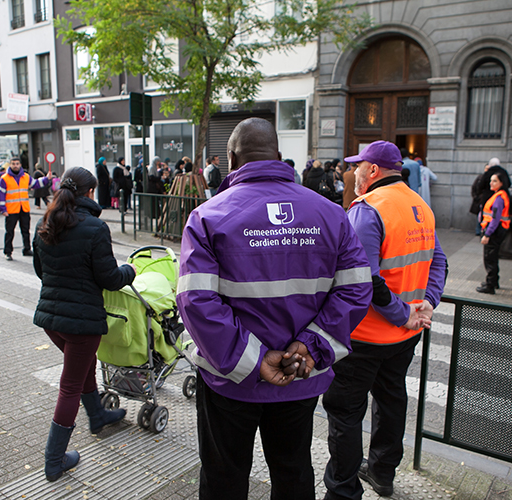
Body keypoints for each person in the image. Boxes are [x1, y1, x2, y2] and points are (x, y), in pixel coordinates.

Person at [176, 117, 372, 500]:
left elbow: (195, 300)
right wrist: (310, 349)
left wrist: (254, 360)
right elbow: (356, 290)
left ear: (232, 160)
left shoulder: (207, 217)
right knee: (293, 469)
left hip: (229, 380)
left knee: (223, 475)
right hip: (299, 377)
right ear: (279, 157)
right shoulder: (332, 214)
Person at [322, 140, 446, 500]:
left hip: (364, 337)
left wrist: (403, 312)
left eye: (358, 165)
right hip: (405, 336)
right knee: (391, 400)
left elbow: (364, 278)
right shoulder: (420, 205)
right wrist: (426, 306)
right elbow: (439, 261)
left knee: (345, 413)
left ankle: (343, 491)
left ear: (372, 170)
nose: (355, 172)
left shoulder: (368, 209)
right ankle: (382, 472)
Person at [32, 167, 136, 482]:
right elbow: (110, 279)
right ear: (90, 193)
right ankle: (54, 461)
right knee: (70, 386)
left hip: (52, 321)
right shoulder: (94, 228)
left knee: (83, 368)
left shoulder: (45, 223)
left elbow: (41, 271)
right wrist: (130, 270)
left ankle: (98, 415)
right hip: (82, 324)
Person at [0, 157, 52, 261]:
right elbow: (1, 193)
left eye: (17, 164)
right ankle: (8, 252)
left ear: (20, 165)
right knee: (9, 232)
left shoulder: (25, 177)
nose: (15, 165)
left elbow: (35, 184)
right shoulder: (4, 178)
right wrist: (2, 209)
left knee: (25, 231)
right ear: (10, 165)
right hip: (11, 210)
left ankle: (27, 249)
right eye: (13, 164)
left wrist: (46, 179)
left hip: (24, 208)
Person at [476, 170, 511, 294]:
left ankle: (490, 285)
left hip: (494, 231)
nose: (491, 183)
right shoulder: (500, 196)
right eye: (491, 180)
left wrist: (487, 234)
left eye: (495, 180)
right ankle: (493, 281)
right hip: (497, 230)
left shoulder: (499, 198)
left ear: (502, 183)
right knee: (493, 257)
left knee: (490, 258)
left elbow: (495, 219)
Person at [470, 164, 490, 236]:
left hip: (487, 201)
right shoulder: (480, 178)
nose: (487, 170)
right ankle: (478, 230)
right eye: (486, 168)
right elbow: (474, 187)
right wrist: (475, 197)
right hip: (479, 201)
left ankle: (484, 230)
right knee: (479, 216)